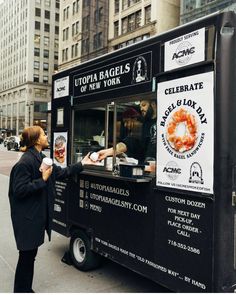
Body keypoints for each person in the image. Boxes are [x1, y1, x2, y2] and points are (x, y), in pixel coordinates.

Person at [8, 126, 95, 293]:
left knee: (29, 257)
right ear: (36, 140)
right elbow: (19, 190)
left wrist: (83, 163)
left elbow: (63, 172)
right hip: (27, 220)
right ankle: (21, 290)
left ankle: (25, 289)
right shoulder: (25, 162)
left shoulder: (41, 157)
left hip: (34, 218)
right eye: (43, 134)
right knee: (26, 257)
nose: (46, 136)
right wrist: (42, 179)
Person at [98, 99, 157, 163]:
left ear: (153, 104)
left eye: (144, 105)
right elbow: (129, 142)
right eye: (140, 107)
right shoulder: (145, 125)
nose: (141, 109)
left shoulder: (162, 122)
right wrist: (109, 151)